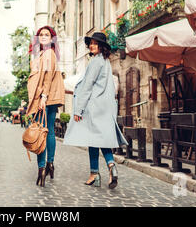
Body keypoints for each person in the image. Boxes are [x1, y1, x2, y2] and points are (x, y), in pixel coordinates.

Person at [63, 32, 128, 189]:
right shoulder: (105, 62)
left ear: (102, 46)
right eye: (90, 43)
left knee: (92, 139)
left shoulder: (95, 62)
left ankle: (95, 174)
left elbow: (87, 86)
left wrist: (78, 110)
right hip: (104, 108)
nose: (91, 45)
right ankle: (109, 166)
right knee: (99, 139)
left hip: (93, 107)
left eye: (95, 43)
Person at [26, 25, 65, 187]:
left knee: (41, 132)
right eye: (41, 34)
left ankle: (42, 168)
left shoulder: (49, 53)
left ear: (51, 38)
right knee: (47, 131)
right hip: (47, 97)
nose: (43, 36)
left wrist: (43, 96)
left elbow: (47, 77)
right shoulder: (42, 53)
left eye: (46, 34)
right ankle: (50, 164)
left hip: (45, 97)